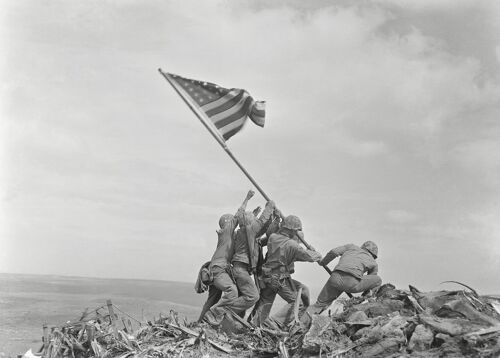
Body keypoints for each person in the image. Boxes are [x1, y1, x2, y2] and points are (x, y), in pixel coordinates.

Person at [250, 215, 322, 328]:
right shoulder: (292, 245)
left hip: (267, 276)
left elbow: (291, 255)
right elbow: (310, 257)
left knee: (265, 303)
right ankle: (275, 323)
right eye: (296, 231)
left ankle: (255, 325)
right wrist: (315, 252)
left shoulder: (273, 238)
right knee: (298, 304)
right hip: (279, 278)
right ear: (292, 230)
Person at [202, 190, 254, 325]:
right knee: (232, 291)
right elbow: (238, 215)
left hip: (218, 269)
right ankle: (214, 313)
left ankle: (201, 322)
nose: (235, 223)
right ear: (228, 222)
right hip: (218, 269)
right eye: (232, 222)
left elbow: (245, 224)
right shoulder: (226, 232)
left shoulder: (229, 236)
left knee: (213, 299)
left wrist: (254, 214)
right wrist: (247, 198)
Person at [230, 198, 277, 318]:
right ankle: (223, 309)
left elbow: (264, 228)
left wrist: (274, 218)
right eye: (253, 220)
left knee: (244, 297)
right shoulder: (249, 230)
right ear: (250, 222)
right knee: (253, 296)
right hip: (241, 269)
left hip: (241, 269)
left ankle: (233, 321)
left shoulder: (244, 233)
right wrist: (270, 205)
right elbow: (262, 221)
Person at [306, 241, 382, 316]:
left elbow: (334, 252)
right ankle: (363, 301)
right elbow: (370, 282)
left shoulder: (351, 247)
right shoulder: (373, 263)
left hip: (335, 278)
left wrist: (323, 262)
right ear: (373, 255)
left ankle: (299, 322)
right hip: (351, 283)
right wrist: (362, 297)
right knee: (378, 280)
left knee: (319, 305)